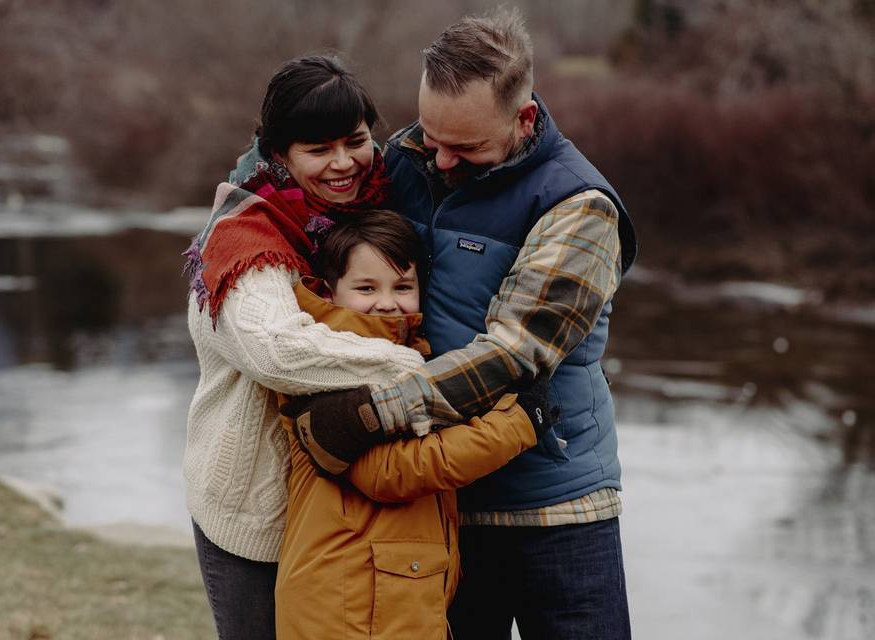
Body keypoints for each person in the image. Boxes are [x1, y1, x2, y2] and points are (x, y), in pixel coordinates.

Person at [283, 8, 639, 640]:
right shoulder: (410, 159)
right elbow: (309, 188)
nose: (441, 161)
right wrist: (235, 213)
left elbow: (513, 355)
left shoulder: (579, 209)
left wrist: (367, 416)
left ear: (523, 118)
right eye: (432, 135)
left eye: (467, 147)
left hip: (554, 508)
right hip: (440, 503)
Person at [181, 55, 430, 640]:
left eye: (355, 140)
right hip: (254, 513)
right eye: (318, 149)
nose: (344, 163)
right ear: (280, 156)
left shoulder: (379, 210)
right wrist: (412, 364)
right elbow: (275, 350)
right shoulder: (247, 234)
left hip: (345, 505)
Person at [274, 209, 549, 640]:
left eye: (403, 286)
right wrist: (517, 423)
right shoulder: (328, 361)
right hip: (348, 603)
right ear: (330, 292)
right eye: (366, 288)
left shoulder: (410, 358)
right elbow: (391, 471)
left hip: (385, 594)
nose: (387, 302)